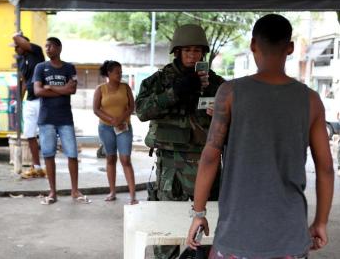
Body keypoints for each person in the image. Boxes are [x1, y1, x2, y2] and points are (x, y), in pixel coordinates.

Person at [187, 14, 335, 259]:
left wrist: (199, 213)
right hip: (289, 236)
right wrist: (321, 222)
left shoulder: (230, 93)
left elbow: (210, 157)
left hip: (236, 235)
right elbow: (326, 168)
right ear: (290, 48)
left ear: (253, 45)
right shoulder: (311, 100)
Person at [135, 24, 224, 258]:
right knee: (166, 229)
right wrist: (175, 92)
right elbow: (142, 111)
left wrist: (222, 114)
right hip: (170, 166)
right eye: (187, 50)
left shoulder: (217, 84)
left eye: (197, 50)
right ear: (177, 51)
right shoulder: (158, 81)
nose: (193, 55)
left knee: (208, 229)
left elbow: (236, 122)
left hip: (206, 162)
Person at [33, 37, 90, 205]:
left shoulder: (69, 67)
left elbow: (72, 89)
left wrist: (50, 87)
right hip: (46, 119)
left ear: (59, 48)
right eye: (45, 46)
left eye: (50, 46)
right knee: (48, 155)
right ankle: (52, 192)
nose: (47, 49)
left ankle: (75, 191)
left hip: (65, 119)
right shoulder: (40, 67)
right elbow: (37, 91)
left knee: (72, 154)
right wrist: (61, 90)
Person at [93, 60, 138, 205]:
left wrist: (120, 119)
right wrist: (110, 120)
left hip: (124, 127)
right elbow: (96, 109)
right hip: (105, 128)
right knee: (110, 158)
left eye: (121, 72)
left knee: (125, 159)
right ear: (109, 73)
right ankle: (112, 192)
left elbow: (132, 107)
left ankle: (132, 196)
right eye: (117, 72)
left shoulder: (125, 87)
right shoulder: (100, 89)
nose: (120, 74)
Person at [13, 33, 46, 178]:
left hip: (43, 99)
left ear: (25, 45)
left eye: (17, 46)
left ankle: (47, 166)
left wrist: (16, 35)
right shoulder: (21, 60)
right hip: (31, 100)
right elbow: (24, 82)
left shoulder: (36, 52)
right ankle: (37, 167)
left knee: (45, 134)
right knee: (29, 133)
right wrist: (19, 101)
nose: (15, 49)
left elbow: (21, 41)